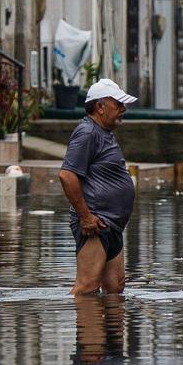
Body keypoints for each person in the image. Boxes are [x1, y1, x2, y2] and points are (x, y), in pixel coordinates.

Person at [59, 78, 138, 296]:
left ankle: (110, 330)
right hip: (96, 223)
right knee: (87, 287)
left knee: (115, 288)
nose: (123, 109)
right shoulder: (87, 133)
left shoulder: (103, 133)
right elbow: (67, 175)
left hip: (112, 224)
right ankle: (89, 329)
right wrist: (85, 216)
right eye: (118, 104)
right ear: (100, 107)